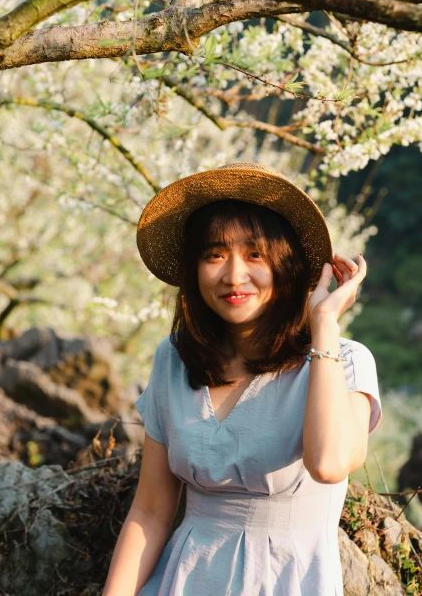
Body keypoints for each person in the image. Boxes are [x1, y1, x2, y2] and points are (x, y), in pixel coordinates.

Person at [102, 162, 382, 596]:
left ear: (286, 264)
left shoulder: (343, 361)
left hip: (288, 582)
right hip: (181, 581)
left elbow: (328, 465)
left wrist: (324, 321)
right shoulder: (173, 359)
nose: (234, 276)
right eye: (215, 255)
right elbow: (152, 511)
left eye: (255, 255)